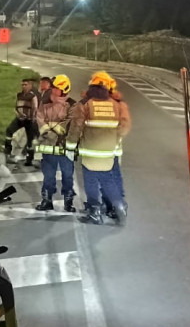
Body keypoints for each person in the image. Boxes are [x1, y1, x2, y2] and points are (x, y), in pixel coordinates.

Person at [66, 71, 130, 225]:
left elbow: (76, 127)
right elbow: (121, 128)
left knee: (91, 181)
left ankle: (94, 212)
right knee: (108, 180)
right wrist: (115, 144)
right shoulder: (115, 104)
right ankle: (119, 206)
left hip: (90, 152)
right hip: (108, 152)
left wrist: (70, 147)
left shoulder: (85, 104)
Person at [34, 75, 77, 212]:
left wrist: (54, 129)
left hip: (64, 146)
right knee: (48, 175)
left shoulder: (72, 104)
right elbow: (40, 118)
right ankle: (47, 200)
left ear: (64, 90)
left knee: (67, 175)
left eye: (57, 88)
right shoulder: (45, 102)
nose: (53, 90)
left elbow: (71, 122)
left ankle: (68, 202)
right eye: (53, 87)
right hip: (48, 145)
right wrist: (48, 131)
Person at [103, 78, 131, 220]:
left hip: (109, 148)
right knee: (111, 176)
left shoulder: (118, 105)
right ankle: (115, 205)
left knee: (109, 176)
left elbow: (124, 126)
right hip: (104, 148)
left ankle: (115, 205)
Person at [4, 79, 39, 166]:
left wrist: (32, 118)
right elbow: (16, 106)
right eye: (22, 85)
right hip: (19, 119)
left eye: (25, 85)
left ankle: (29, 159)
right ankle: (7, 151)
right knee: (9, 131)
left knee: (30, 140)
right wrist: (17, 113)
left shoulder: (32, 96)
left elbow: (35, 108)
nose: (23, 86)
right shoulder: (19, 95)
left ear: (30, 86)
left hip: (29, 121)